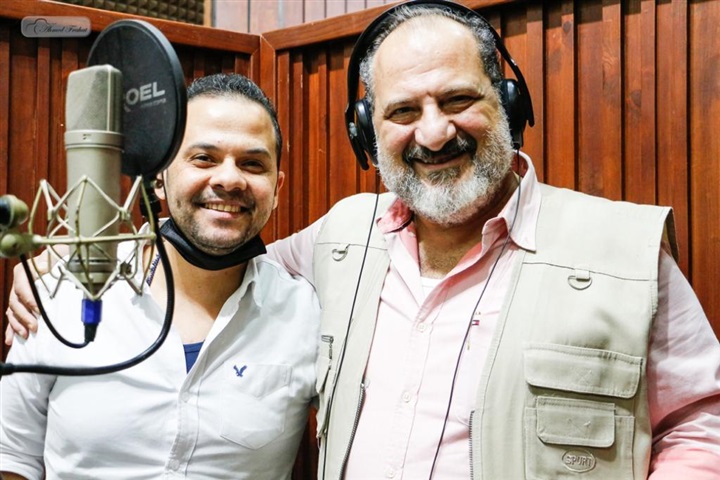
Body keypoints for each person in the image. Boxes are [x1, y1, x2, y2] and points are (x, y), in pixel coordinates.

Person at [6, 1, 720, 479]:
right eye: (403, 111)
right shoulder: (342, 238)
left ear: (507, 103)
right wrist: (67, 259)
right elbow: (212, 244)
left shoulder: (621, 252)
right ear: (366, 133)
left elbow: (701, 422)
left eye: (458, 99)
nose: (433, 131)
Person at [0, 73, 320, 479]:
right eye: (204, 158)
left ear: (276, 189)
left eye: (252, 164)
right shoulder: (62, 288)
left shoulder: (305, 314)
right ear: (158, 179)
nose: (229, 179)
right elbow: (11, 457)